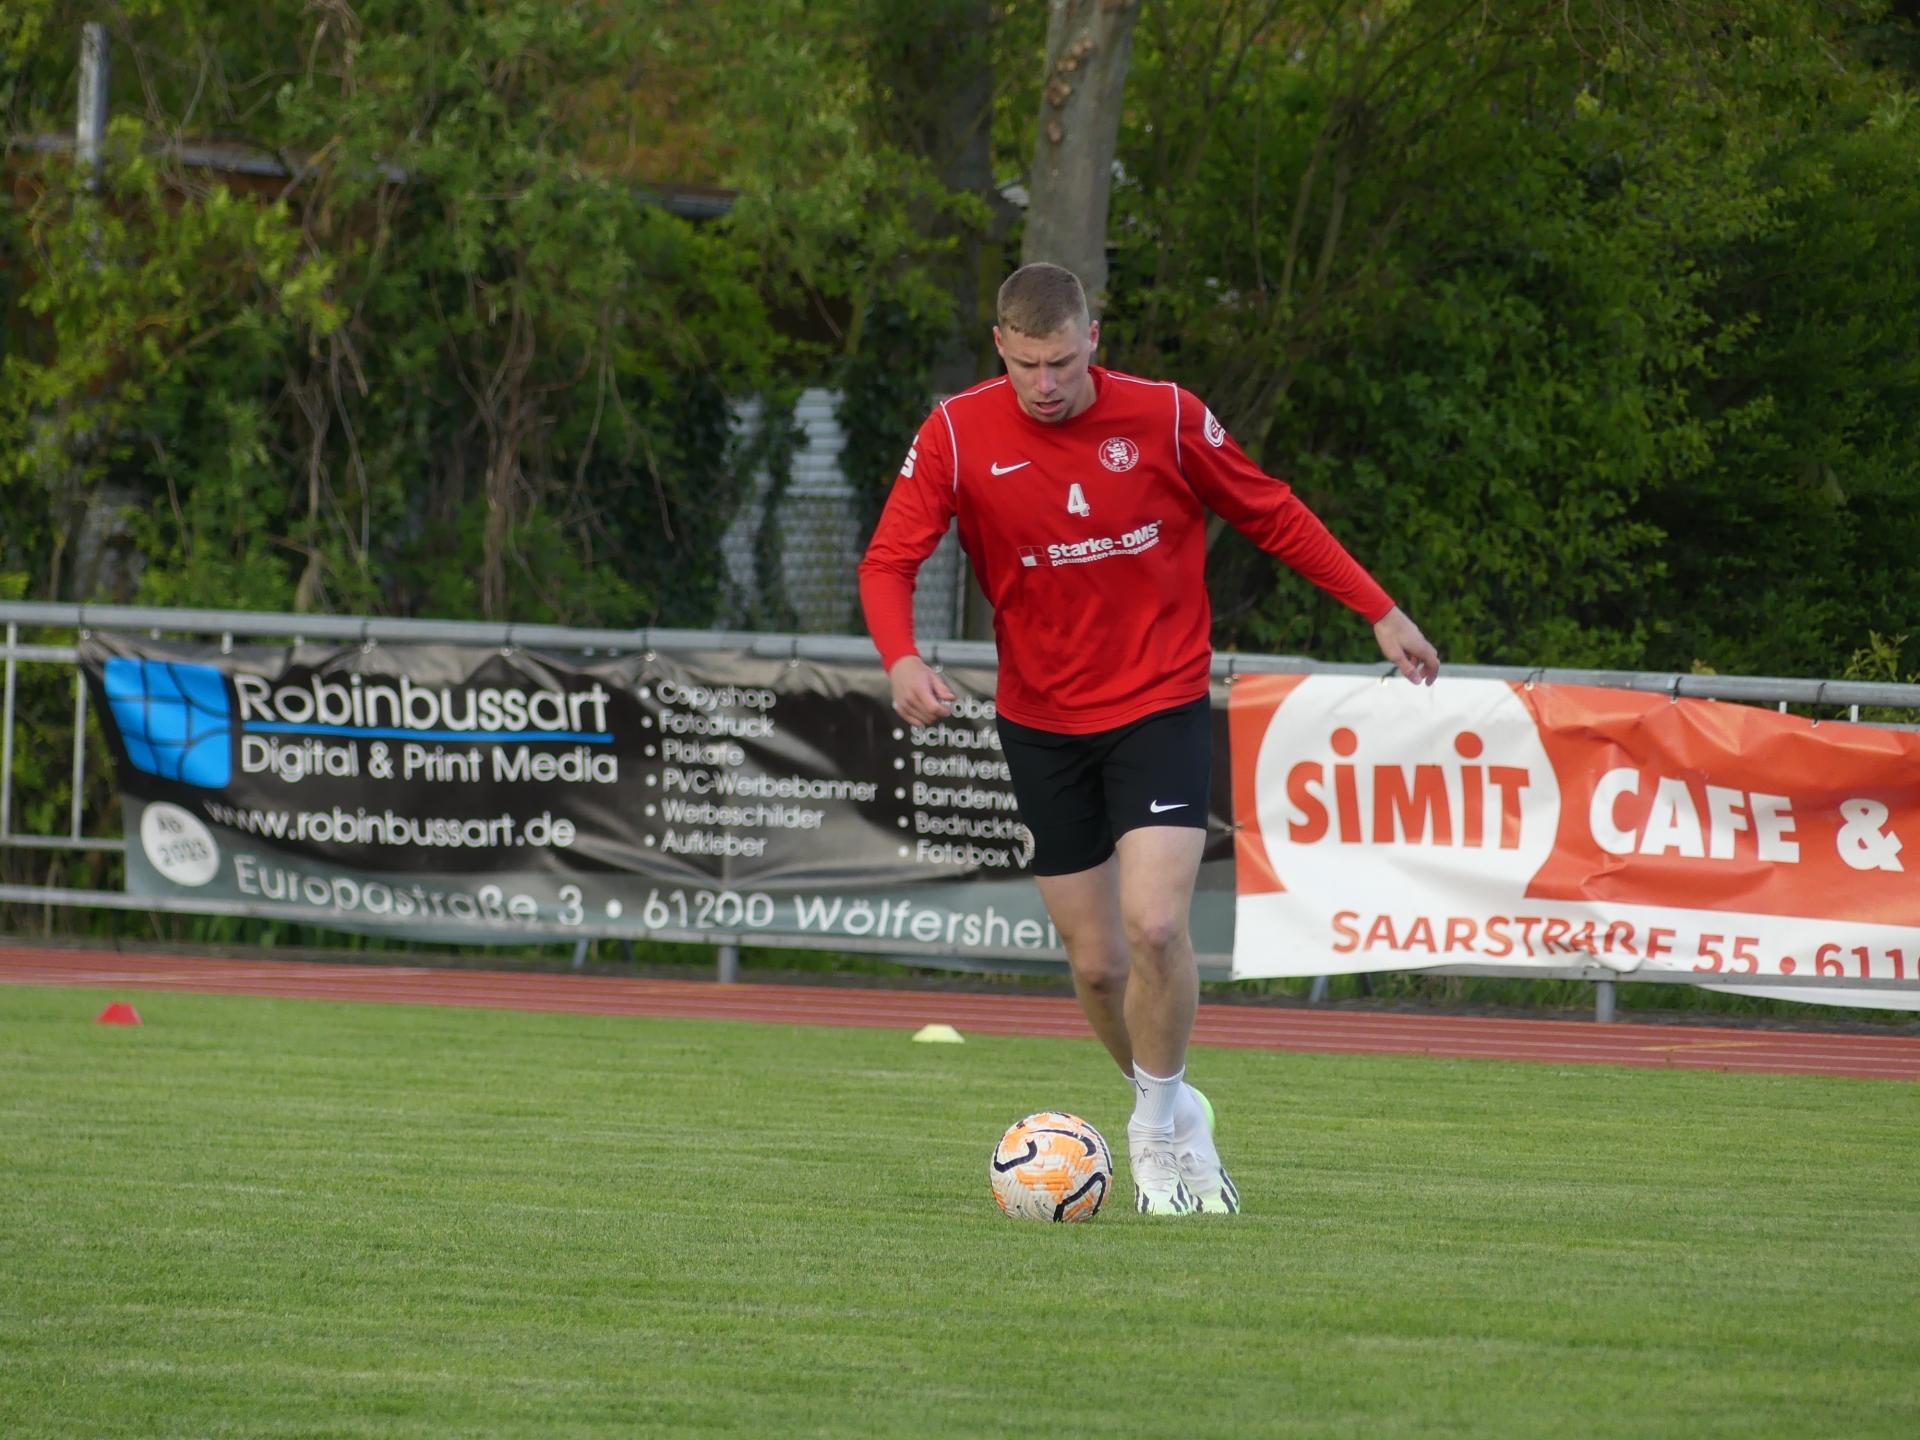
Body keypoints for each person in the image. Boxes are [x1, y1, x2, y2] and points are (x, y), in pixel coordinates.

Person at [858, 263, 1439, 1214]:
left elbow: (1271, 511)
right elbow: (888, 561)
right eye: (1026, 365)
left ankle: (1156, 1139)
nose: (1046, 383)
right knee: (1096, 964)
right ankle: (1174, 1104)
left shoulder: (1165, 416)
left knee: (1158, 925)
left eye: (1062, 361)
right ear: (999, 346)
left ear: (1093, 338)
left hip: (1159, 703)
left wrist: (1377, 608)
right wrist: (900, 657)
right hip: (1041, 723)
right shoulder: (955, 434)